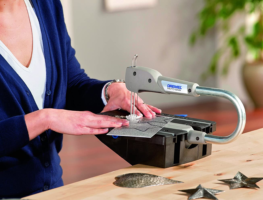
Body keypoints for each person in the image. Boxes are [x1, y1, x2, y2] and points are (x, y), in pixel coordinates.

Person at [0, 0, 161, 198]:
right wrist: (44, 119)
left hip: (52, 190)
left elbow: (71, 84)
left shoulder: (46, 5)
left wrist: (109, 91)